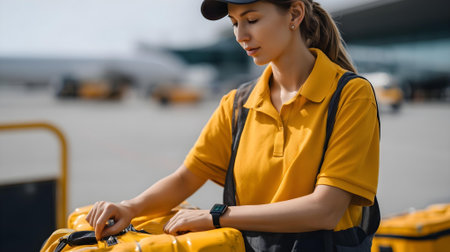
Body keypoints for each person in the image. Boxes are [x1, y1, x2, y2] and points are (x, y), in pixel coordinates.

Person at [86, 0, 379, 251]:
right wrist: (131, 207)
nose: (241, 35)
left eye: (252, 19)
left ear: (294, 15)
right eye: (234, 23)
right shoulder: (238, 103)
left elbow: (325, 210)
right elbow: (187, 178)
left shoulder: (350, 95)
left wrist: (217, 216)